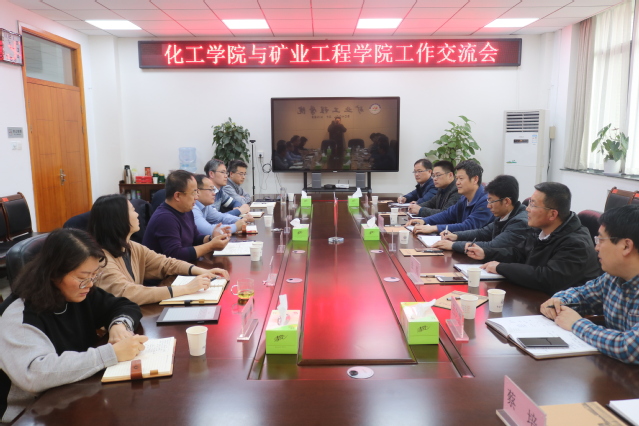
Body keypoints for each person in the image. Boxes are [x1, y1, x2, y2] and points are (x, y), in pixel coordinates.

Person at [0, 228, 147, 423]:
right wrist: (110, 354)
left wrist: (119, 325)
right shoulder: (19, 314)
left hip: (75, 392)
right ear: (53, 273)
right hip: (31, 414)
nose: (90, 284)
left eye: (94, 275)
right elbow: (35, 374)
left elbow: (124, 306)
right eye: (82, 277)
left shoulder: (79, 292)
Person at [540, 205, 639, 364]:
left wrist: (576, 324)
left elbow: (630, 347)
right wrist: (558, 302)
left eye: (601, 240)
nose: (596, 247)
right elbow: (582, 295)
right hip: (613, 370)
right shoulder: (612, 277)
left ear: (626, 246)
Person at [89, 194, 230, 305]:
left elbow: (166, 263)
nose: (137, 214)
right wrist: (186, 288)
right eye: (132, 210)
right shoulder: (102, 260)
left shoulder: (131, 247)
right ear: (118, 218)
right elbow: (129, 293)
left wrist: (202, 271)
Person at [466, 182, 601, 294]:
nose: (527, 209)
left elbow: (548, 278)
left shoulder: (576, 243)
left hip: (565, 309)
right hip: (536, 298)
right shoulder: (540, 229)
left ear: (552, 214)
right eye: (529, 203)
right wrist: (485, 253)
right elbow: (518, 253)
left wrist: (500, 267)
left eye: (533, 205)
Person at [143, 170, 230, 263]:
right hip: (163, 271)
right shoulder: (164, 218)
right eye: (193, 192)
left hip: (183, 267)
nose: (197, 197)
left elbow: (195, 237)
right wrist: (211, 246)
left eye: (197, 192)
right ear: (177, 196)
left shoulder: (186, 210)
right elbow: (175, 255)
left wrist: (211, 238)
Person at [433, 175, 529, 253]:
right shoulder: (504, 214)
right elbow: (482, 233)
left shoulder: (519, 222)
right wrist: (455, 236)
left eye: (491, 201)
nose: (488, 206)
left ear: (506, 202)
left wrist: (454, 245)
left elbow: (493, 246)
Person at [409, 160, 493, 235]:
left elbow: (468, 226)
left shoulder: (486, 201)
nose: (457, 182)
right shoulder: (464, 198)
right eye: (457, 178)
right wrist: (424, 221)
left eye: (461, 178)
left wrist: (434, 228)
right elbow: (447, 214)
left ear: (475, 179)